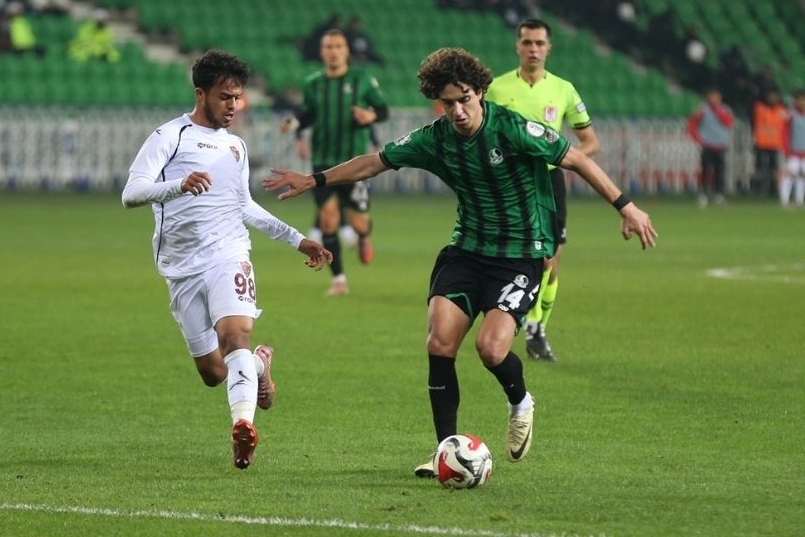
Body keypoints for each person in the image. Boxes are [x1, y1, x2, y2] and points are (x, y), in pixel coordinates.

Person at [263, 47, 657, 478]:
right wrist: (314, 179)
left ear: (480, 92)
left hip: (520, 255)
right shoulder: (435, 139)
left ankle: (521, 401)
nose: (458, 111)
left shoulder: (512, 129)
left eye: (464, 99)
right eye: (448, 103)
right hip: (466, 250)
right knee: (439, 344)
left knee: (490, 349)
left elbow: (576, 159)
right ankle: (444, 453)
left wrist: (627, 207)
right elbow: (374, 163)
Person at [121, 49, 332, 470]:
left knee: (236, 337)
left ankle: (242, 428)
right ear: (201, 94)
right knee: (213, 373)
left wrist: (297, 239)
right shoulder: (169, 137)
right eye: (225, 97)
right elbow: (131, 193)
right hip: (181, 266)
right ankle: (259, 365)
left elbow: (243, 206)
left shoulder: (236, 146)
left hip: (229, 255)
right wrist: (178, 185)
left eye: (238, 97)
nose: (234, 105)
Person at [485, 18, 601, 362]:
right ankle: (514, 322)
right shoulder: (496, 89)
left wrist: (565, 157)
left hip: (549, 182)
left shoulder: (563, 90)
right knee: (513, 256)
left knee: (550, 261)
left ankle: (536, 328)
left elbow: (590, 141)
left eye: (539, 43)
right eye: (527, 42)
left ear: (549, 48)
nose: (533, 49)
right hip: (508, 183)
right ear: (517, 46)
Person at [279, 29, 389, 296]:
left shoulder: (362, 79)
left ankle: (363, 236)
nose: (333, 51)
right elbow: (306, 115)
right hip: (322, 163)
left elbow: (383, 110)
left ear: (346, 50)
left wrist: (370, 116)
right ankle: (339, 279)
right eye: (328, 47)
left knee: (359, 223)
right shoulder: (313, 84)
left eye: (338, 46)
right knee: (328, 220)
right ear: (322, 51)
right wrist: (293, 125)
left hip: (355, 165)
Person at [687, 86, 735, 207]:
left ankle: (718, 194)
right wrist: (697, 138)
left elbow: (729, 122)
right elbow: (692, 123)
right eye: (712, 97)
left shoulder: (725, 109)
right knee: (705, 171)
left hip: (720, 145)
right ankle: (703, 194)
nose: (714, 99)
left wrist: (719, 112)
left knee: (720, 172)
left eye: (716, 97)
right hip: (708, 144)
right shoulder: (703, 110)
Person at [751, 87, 787, 197]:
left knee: (774, 168)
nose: (772, 98)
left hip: (775, 143)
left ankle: (773, 188)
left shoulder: (782, 110)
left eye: (774, 96)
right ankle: (758, 188)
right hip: (761, 142)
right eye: (770, 95)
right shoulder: (759, 107)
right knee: (759, 167)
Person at [780, 89, 805, 208]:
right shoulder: (790, 114)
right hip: (793, 151)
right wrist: (787, 149)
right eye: (799, 100)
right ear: (795, 101)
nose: (802, 102)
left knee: (802, 177)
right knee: (789, 175)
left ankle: (799, 200)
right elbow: (784, 133)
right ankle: (784, 200)